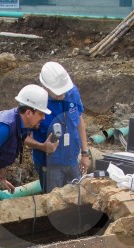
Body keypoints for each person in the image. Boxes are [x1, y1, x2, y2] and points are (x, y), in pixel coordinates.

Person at [24, 62, 90, 193]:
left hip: (72, 159)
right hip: (49, 165)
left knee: (79, 199)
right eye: (58, 92)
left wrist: (85, 153)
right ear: (45, 87)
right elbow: (24, 138)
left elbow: (79, 120)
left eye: (64, 90)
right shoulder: (34, 102)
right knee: (55, 205)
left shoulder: (72, 92)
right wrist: (43, 147)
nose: (63, 94)